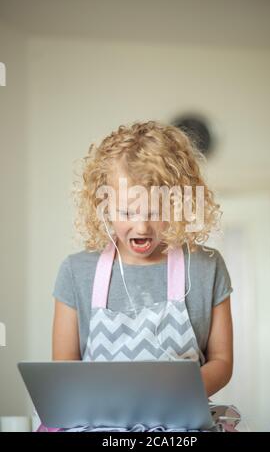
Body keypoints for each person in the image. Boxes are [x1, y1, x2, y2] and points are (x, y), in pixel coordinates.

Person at [38, 120, 240, 432]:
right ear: (103, 207)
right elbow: (66, 374)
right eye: (127, 212)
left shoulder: (206, 267)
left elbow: (222, 362)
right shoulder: (76, 272)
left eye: (155, 211)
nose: (142, 227)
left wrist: (178, 392)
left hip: (181, 425)